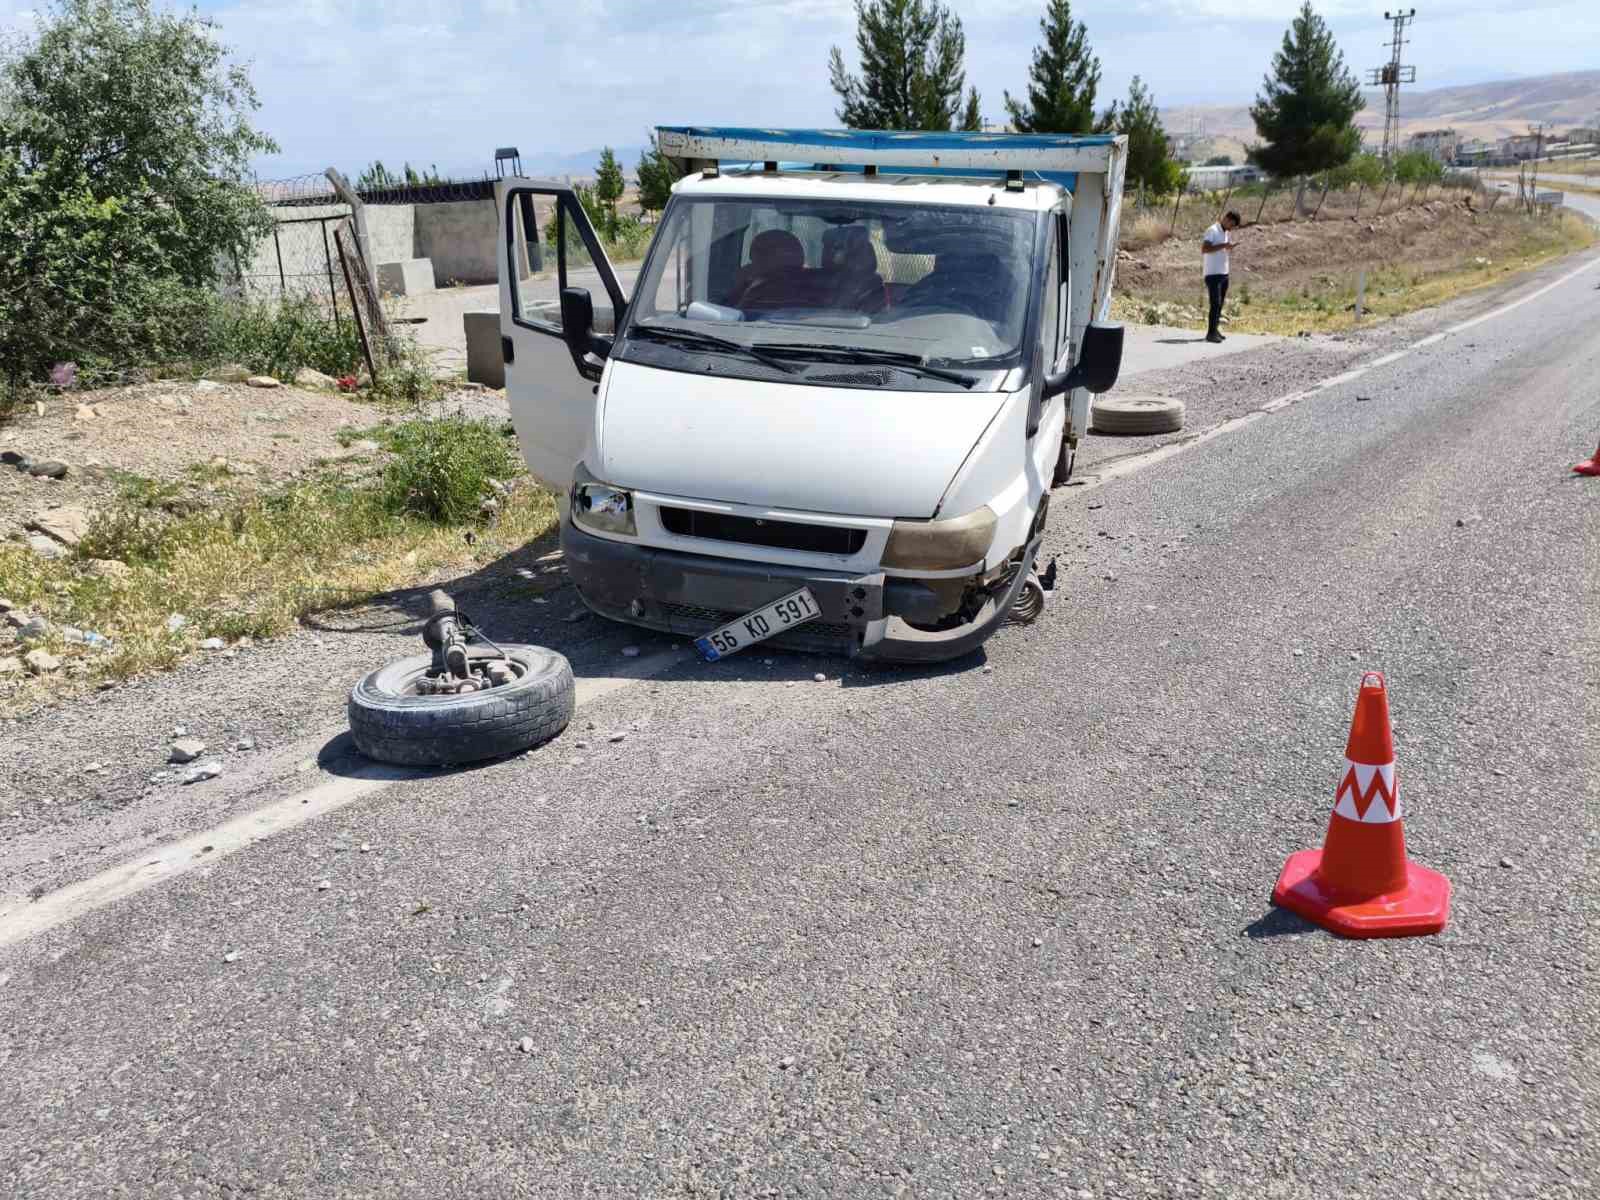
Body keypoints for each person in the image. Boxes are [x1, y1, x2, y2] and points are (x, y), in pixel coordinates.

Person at [1200, 211, 1242, 344]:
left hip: (1224, 273)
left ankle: (1215, 330)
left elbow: (1220, 249)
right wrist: (1224, 245)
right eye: (1232, 225)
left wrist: (1228, 247)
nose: (1232, 228)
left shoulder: (1225, 232)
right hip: (1212, 274)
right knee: (1215, 303)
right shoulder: (1212, 230)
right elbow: (1205, 249)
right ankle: (1210, 334)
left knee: (1220, 304)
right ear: (1227, 219)